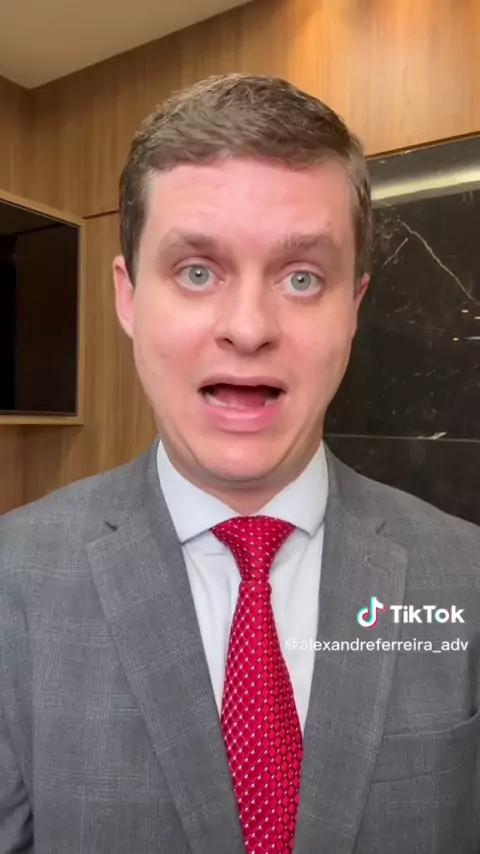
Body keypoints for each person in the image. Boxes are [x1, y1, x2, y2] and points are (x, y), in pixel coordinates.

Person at [0, 73, 479, 854]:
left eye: (302, 278)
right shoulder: (11, 579)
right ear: (128, 298)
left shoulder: (465, 580)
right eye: (197, 271)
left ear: (353, 308)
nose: (249, 328)